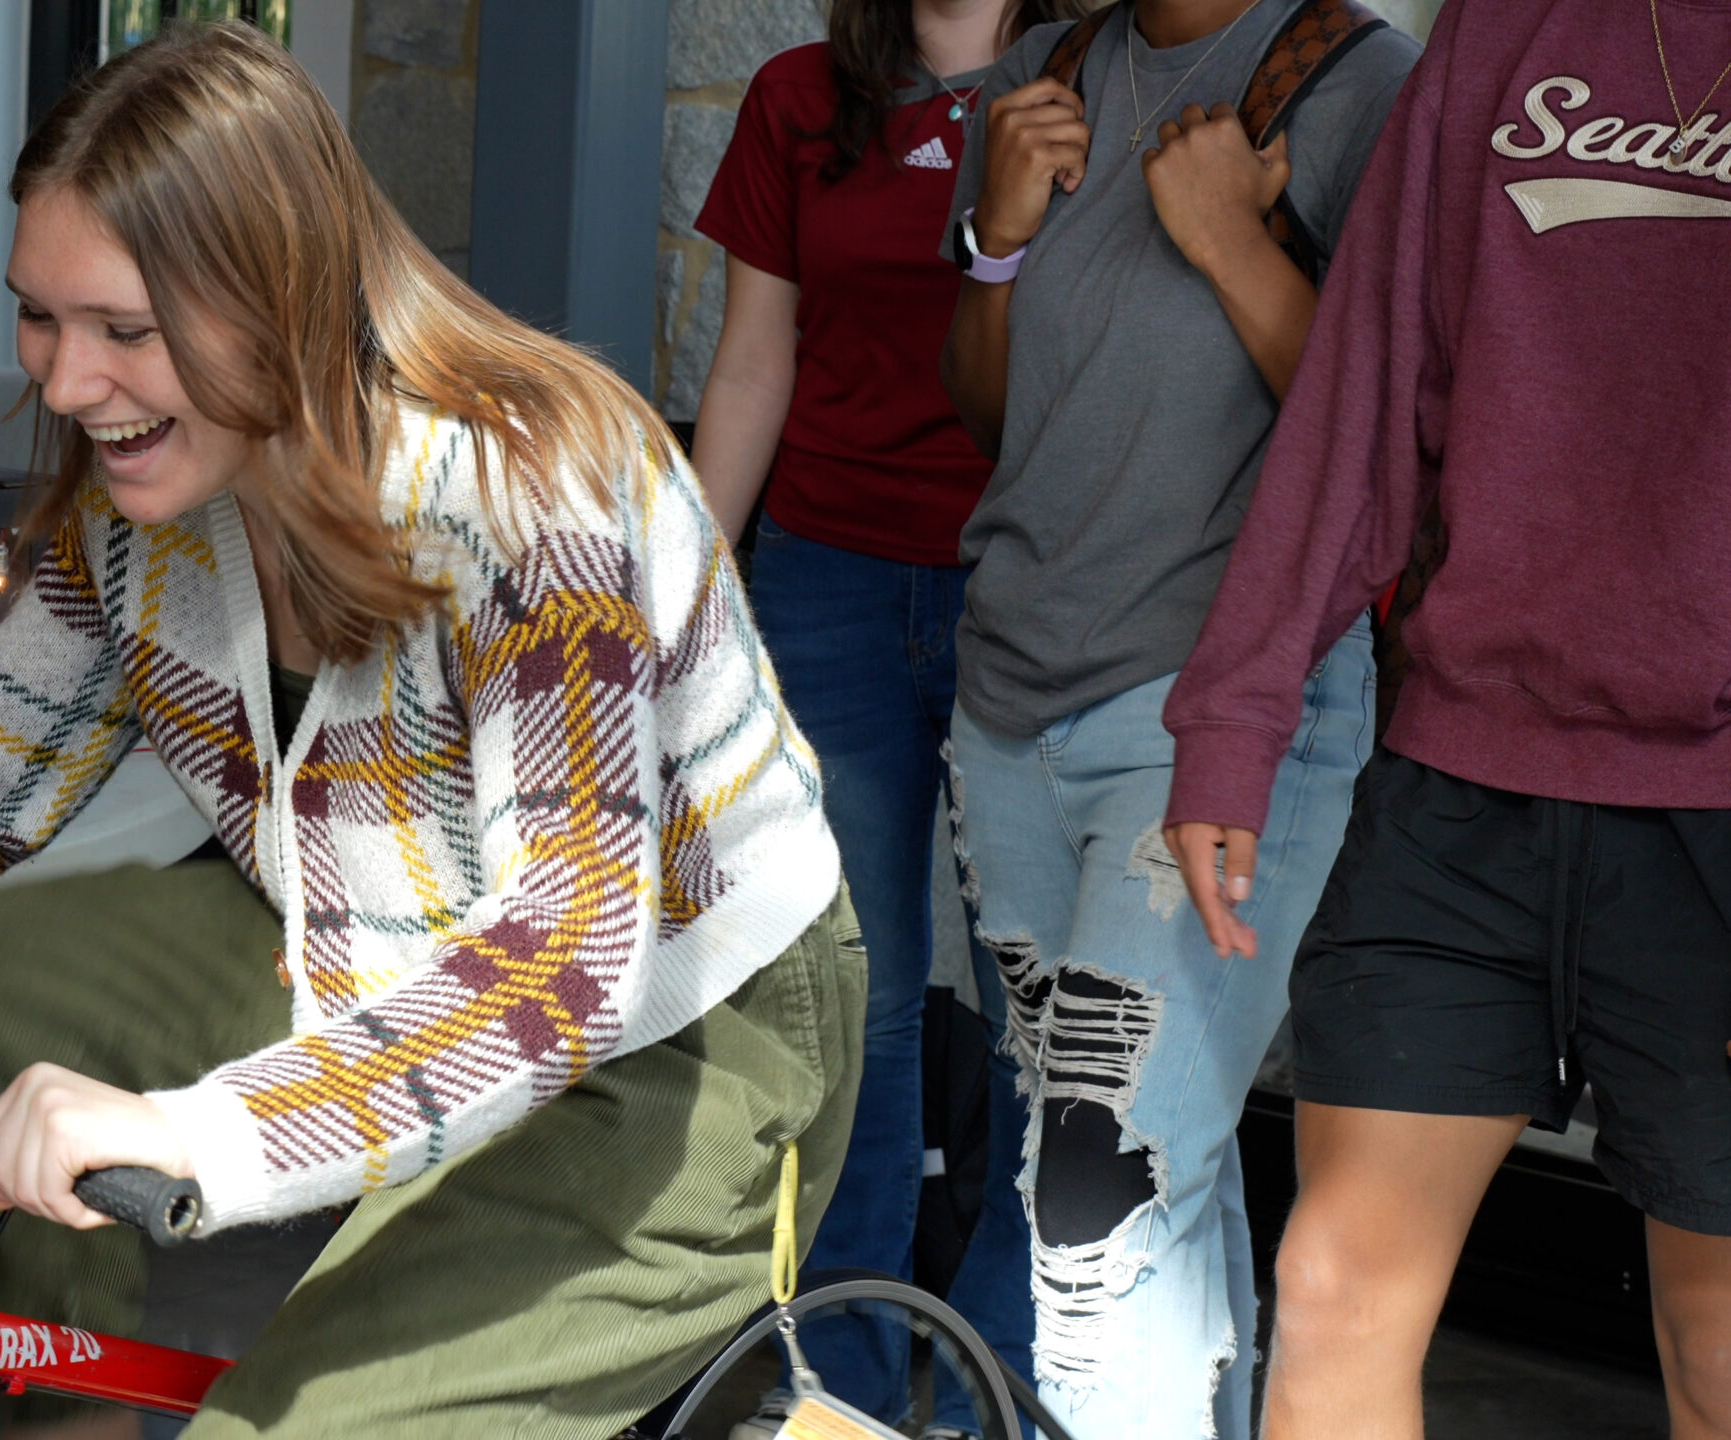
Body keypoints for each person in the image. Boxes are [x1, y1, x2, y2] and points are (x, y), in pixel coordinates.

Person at [0, 22, 862, 1440]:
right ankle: (59, 1410)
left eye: (124, 330)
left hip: (670, 1027)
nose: (61, 382)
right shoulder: (148, 513)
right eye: (39, 315)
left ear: (274, 298)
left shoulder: (532, 490)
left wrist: (193, 1137)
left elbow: (562, 960)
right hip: (356, 935)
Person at [1159, 0, 1731, 1433]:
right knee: (1339, 1288)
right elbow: (1368, 377)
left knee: (1717, 1334)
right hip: (1462, 782)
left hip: (1715, 816)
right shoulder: (1505, 29)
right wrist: (1239, 704)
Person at [934, 0, 1417, 1434]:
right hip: (1009, 710)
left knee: (1096, 1200)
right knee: (1122, 1176)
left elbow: (1390, 442)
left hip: (1217, 714)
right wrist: (998, 242)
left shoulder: (1358, 79)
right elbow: (985, 410)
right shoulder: (1045, 73)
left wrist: (1229, 238)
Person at [687, 0, 1079, 1429]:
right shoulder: (801, 97)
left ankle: (999, 1387)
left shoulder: (1095, 84)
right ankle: (837, 1392)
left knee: (1043, 1021)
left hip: (1028, 594)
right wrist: (688, 603)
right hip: (829, 589)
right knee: (854, 1009)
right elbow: (750, 362)